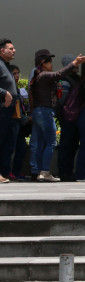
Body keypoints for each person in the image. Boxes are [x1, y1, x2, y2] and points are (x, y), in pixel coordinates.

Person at [29, 49, 85, 181]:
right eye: (50, 62)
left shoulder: (37, 76)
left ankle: (38, 170)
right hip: (45, 111)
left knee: (41, 142)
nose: (52, 65)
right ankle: (44, 171)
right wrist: (74, 63)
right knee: (51, 142)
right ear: (43, 63)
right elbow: (59, 74)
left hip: (39, 111)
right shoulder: (44, 75)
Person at [6, 65, 31, 181]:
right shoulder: (10, 89)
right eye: (14, 74)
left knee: (21, 148)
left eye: (18, 74)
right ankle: (8, 172)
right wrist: (26, 119)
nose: (16, 76)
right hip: (13, 122)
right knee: (11, 148)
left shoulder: (17, 88)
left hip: (18, 124)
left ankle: (15, 172)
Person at [0, 41, 20, 184]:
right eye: (11, 48)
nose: (14, 50)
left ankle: (5, 172)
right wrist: (4, 92)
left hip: (10, 111)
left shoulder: (6, 65)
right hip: (2, 108)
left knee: (8, 143)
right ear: (2, 51)